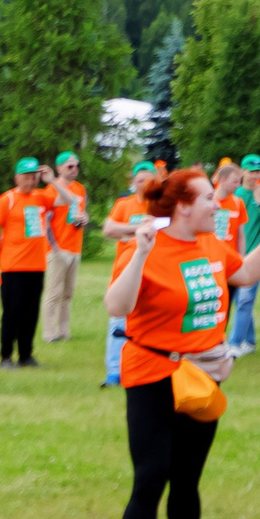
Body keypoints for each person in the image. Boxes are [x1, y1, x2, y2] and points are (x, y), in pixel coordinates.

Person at [102, 165, 260, 519]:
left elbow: (243, 274)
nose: (217, 204)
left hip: (204, 378)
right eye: (209, 198)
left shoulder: (209, 243)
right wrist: (140, 256)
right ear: (184, 207)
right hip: (152, 374)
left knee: (187, 477)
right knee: (151, 477)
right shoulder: (144, 244)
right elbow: (117, 307)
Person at [0, 157, 61, 368]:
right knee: (12, 312)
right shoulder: (7, 200)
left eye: (34, 175)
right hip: (13, 266)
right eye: (27, 176)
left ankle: (26, 355)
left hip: (37, 266)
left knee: (31, 312)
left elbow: (68, 200)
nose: (31, 180)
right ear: (17, 177)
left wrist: (52, 181)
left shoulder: (41, 197)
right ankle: (6, 356)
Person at [99, 161, 157, 388]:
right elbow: (109, 229)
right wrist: (138, 229)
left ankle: (143, 369)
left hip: (153, 271)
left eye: (149, 179)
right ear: (133, 182)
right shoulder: (125, 204)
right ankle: (114, 372)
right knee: (118, 321)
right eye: (140, 179)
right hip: (124, 272)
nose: (144, 183)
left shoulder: (160, 206)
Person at [225, 155, 260, 357]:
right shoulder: (236, 195)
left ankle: (235, 344)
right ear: (242, 172)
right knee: (240, 301)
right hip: (235, 254)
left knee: (245, 299)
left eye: (257, 171)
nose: (254, 176)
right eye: (250, 171)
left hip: (257, 254)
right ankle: (250, 340)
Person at [39, 149, 90, 343]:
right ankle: (49, 333)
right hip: (58, 248)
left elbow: (80, 212)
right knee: (54, 292)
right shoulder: (51, 189)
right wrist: (55, 248)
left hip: (75, 246)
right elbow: (47, 221)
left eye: (76, 166)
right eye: (69, 166)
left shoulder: (80, 189)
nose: (74, 170)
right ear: (59, 168)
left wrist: (84, 219)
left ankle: (63, 330)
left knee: (68, 293)